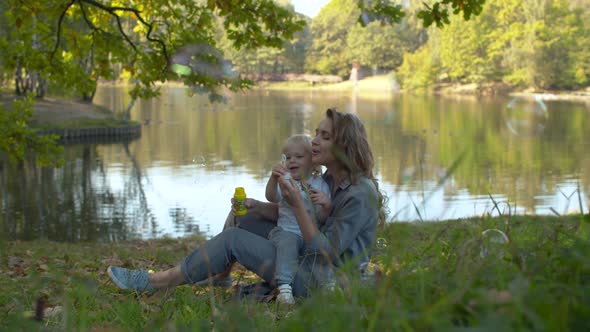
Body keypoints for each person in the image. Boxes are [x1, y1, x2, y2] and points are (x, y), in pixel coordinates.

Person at [107, 108, 385, 300]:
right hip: (303, 259)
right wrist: (259, 207)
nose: (314, 140)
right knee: (243, 217)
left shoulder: (360, 193)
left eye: (325, 136)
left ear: (344, 145)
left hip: (323, 281)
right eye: (316, 132)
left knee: (232, 240)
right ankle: (221, 275)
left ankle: (158, 282)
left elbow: (327, 252)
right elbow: (302, 222)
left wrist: (298, 207)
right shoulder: (327, 178)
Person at [265, 134, 331, 304]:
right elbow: (271, 197)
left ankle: (327, 285)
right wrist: (273, 179)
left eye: (299, 157)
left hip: (309, 236)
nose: (292, 161)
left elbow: (322, 219)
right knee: (289, 245)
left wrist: (325, 204)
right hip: (286, 232)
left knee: (319, 253)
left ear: (312, 161)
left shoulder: (320, 184)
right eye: (288, 157)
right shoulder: (285, 181)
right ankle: (284, 287)